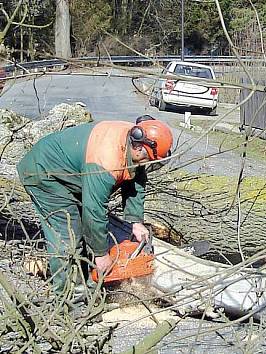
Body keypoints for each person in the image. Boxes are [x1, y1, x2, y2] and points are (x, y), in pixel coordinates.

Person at [17, 115, 173, 306]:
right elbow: (93, 211)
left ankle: (86, 283)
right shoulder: (105, 160)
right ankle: (68, 301)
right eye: (148, 159)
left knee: (86, 230)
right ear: (139, 147)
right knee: (67, 234)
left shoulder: (135, 140)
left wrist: (136, 221)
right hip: (43, 173)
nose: (147, 164)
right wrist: (101, 254)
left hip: (70, 175)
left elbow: (137, 179)